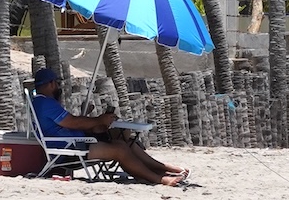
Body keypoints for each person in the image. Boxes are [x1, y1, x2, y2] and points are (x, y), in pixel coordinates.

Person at [28, 68, 186, 186]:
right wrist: (98, 120)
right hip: (68, 149)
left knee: (120, 140)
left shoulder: (42, 102)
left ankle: (156, 171)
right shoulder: (45, 103)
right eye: (57, 83)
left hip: (72, 143)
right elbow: (72, 122)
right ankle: (160, 178)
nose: (58, 87)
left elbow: (68, 123)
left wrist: (93, 120)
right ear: (50, 84)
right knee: (120, 149)